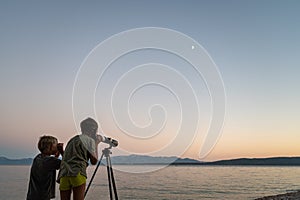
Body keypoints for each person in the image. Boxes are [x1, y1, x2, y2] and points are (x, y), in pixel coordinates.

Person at [57, 117, 117, 200]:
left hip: (63, 174)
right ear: (94, 130)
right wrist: (96, 143)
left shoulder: (73, 139)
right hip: (77, 173)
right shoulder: (90, 141)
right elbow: (94, 161)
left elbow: (66, 158)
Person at [27, 135, 64, 200]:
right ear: (49, 147)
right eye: (56, 144)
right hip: (43, 197)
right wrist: (62, 152)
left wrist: (56, 156)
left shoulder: (37, 158)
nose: (57, 146)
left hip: (32, 196)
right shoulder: (50, 161)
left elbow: (49, 165)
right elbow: (68, 163)